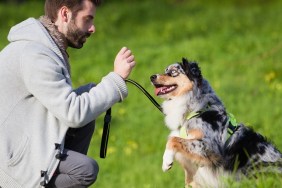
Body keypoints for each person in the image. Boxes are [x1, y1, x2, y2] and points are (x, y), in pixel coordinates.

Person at [0, 0, 136, 187]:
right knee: (84, 170)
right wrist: (115, 81)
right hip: (10, 166)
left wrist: (93, 93)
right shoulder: (35, 55)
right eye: (87, 19)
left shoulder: (46, 48)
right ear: (65, 14)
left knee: (86, 116)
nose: (92, 28)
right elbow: (74, 114)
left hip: (25, 147)